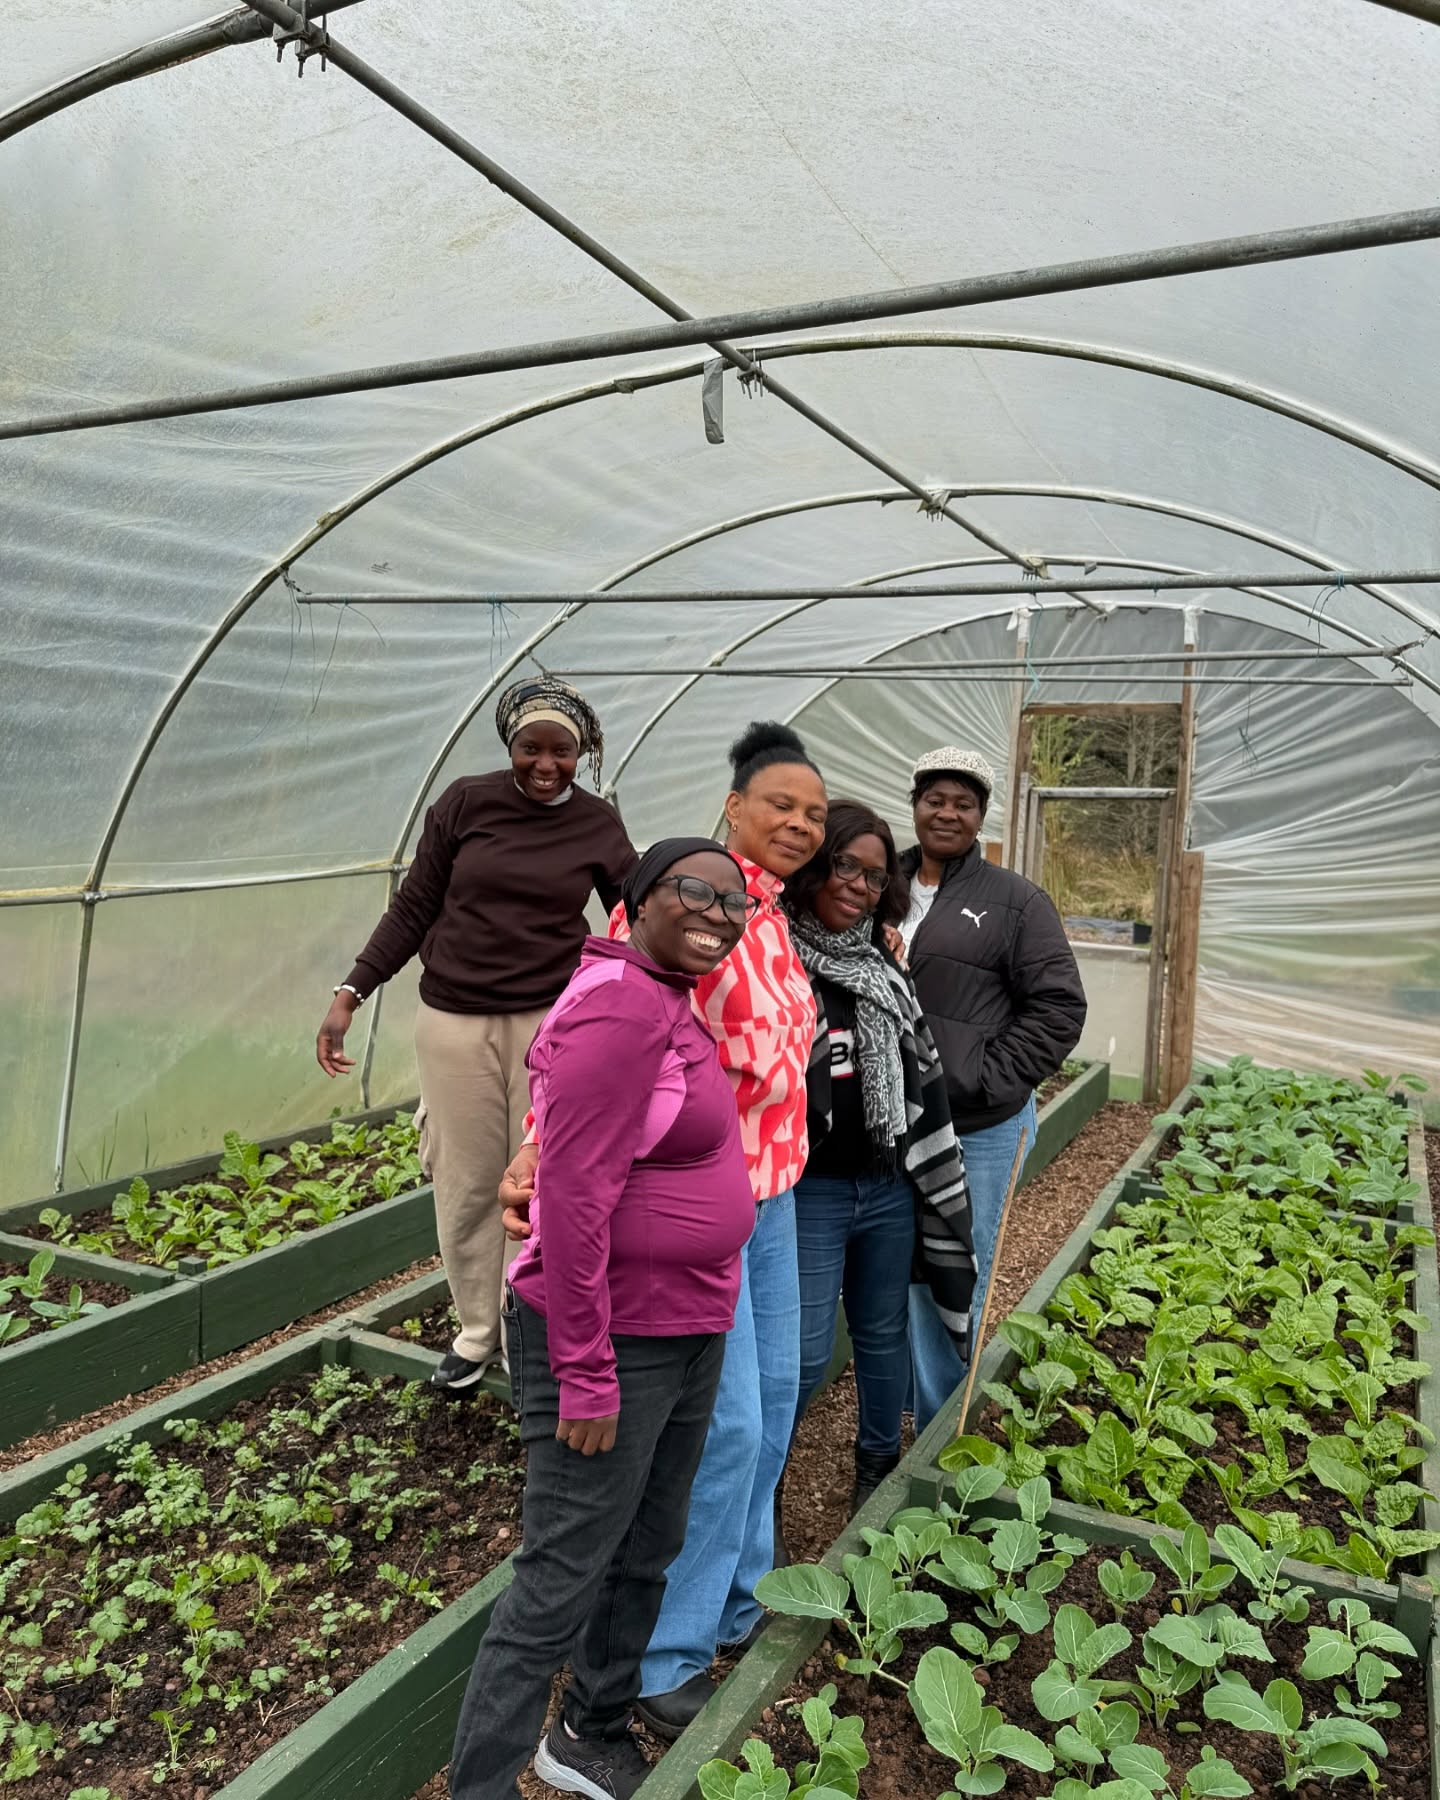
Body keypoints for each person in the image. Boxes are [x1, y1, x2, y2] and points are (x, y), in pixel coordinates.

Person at [501, 721, 827, 1739]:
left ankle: (737, 1607)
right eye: (781, 804)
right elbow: (592, 1034)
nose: (800, 825)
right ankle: (664, 1657)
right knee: (723, 1433)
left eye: (815, 813)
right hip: (682, 1220)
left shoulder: (768, 919)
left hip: (771, 1196)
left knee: (774, 1406)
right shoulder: (693, 905)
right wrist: (534, 1146)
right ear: (732, 807)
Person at [448, 841, 758, 1800]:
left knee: (646, 1544)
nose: (718, 911)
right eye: (693, 891)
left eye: (734, 901)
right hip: (615, 1337)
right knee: (558, 1577)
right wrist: (585, 1372)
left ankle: (588, 1729)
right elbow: (573, 1205)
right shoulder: (625, 1009)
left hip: (685, 1323)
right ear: (635, 903)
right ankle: (483, 1786)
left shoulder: (666, 998)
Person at [314, 676, 635, 1395]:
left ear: (582, 753)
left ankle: (531, 1327)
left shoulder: (597, 825)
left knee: (544, 1180)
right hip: (454, 1021)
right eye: (530, 748)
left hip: (554, 1025)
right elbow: (416, 904)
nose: (545, 763)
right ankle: (475, 1332)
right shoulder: (465, 803)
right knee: (464, 1181)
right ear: (510, 745)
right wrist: (351, 991)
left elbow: (629, 921)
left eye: (562, 750)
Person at [783, 801, 977, 1510]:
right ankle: (767, 1477)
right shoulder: (776, 960)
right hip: (812, 1193)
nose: (858, 887)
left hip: (887, 1185)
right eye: (844, 867)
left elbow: (918, 1070)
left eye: (873, 877)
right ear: (814, 865)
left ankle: (876, 1463)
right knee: (802, 1355)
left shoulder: (883, 967)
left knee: (881, 1332)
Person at [899, 747, 1086, 1427]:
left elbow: (1059, 1008)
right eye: (935, 799)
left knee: (951, 1273)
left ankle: (938, 1429)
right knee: (897, 1267)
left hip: (977, 1125)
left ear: (981, 817)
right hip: (891, 1120)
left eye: (963, 803)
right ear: (915, 803)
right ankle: (893, 1418)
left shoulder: (1014, 902)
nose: (947, 812)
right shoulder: (875, 885)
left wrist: (982, 1078)